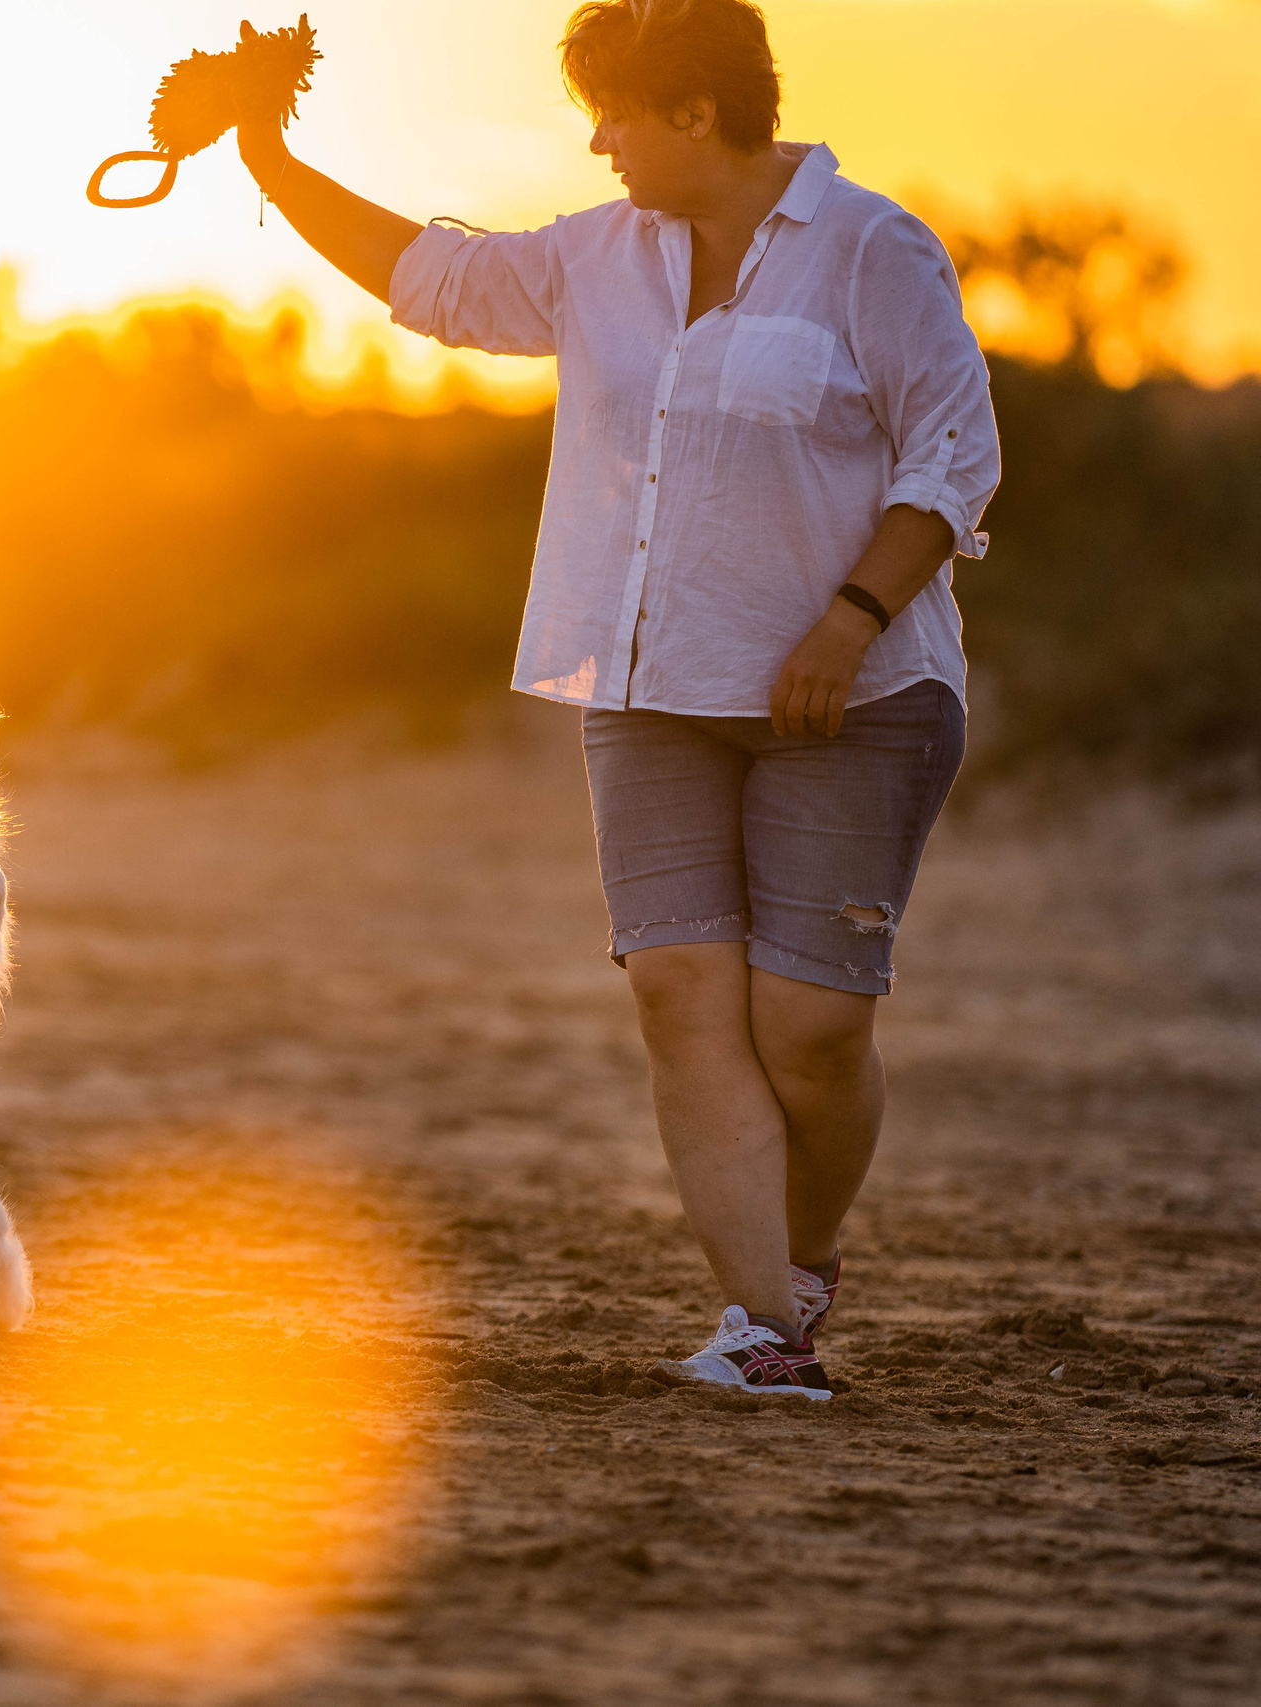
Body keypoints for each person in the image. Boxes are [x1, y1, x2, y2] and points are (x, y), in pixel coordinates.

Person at [238, 0, 999, 1398]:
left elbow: (952, 461)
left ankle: (803, 1256)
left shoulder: (872, 250)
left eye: (614, 115)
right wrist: (266, 160)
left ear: (696, 115)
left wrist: (850, 618)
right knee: (676, 994)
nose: (597, 145)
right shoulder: (601, 257)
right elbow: (436, 281)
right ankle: (766, 1324)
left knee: (813, 1034)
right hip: (647, 689)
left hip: (854, 695)